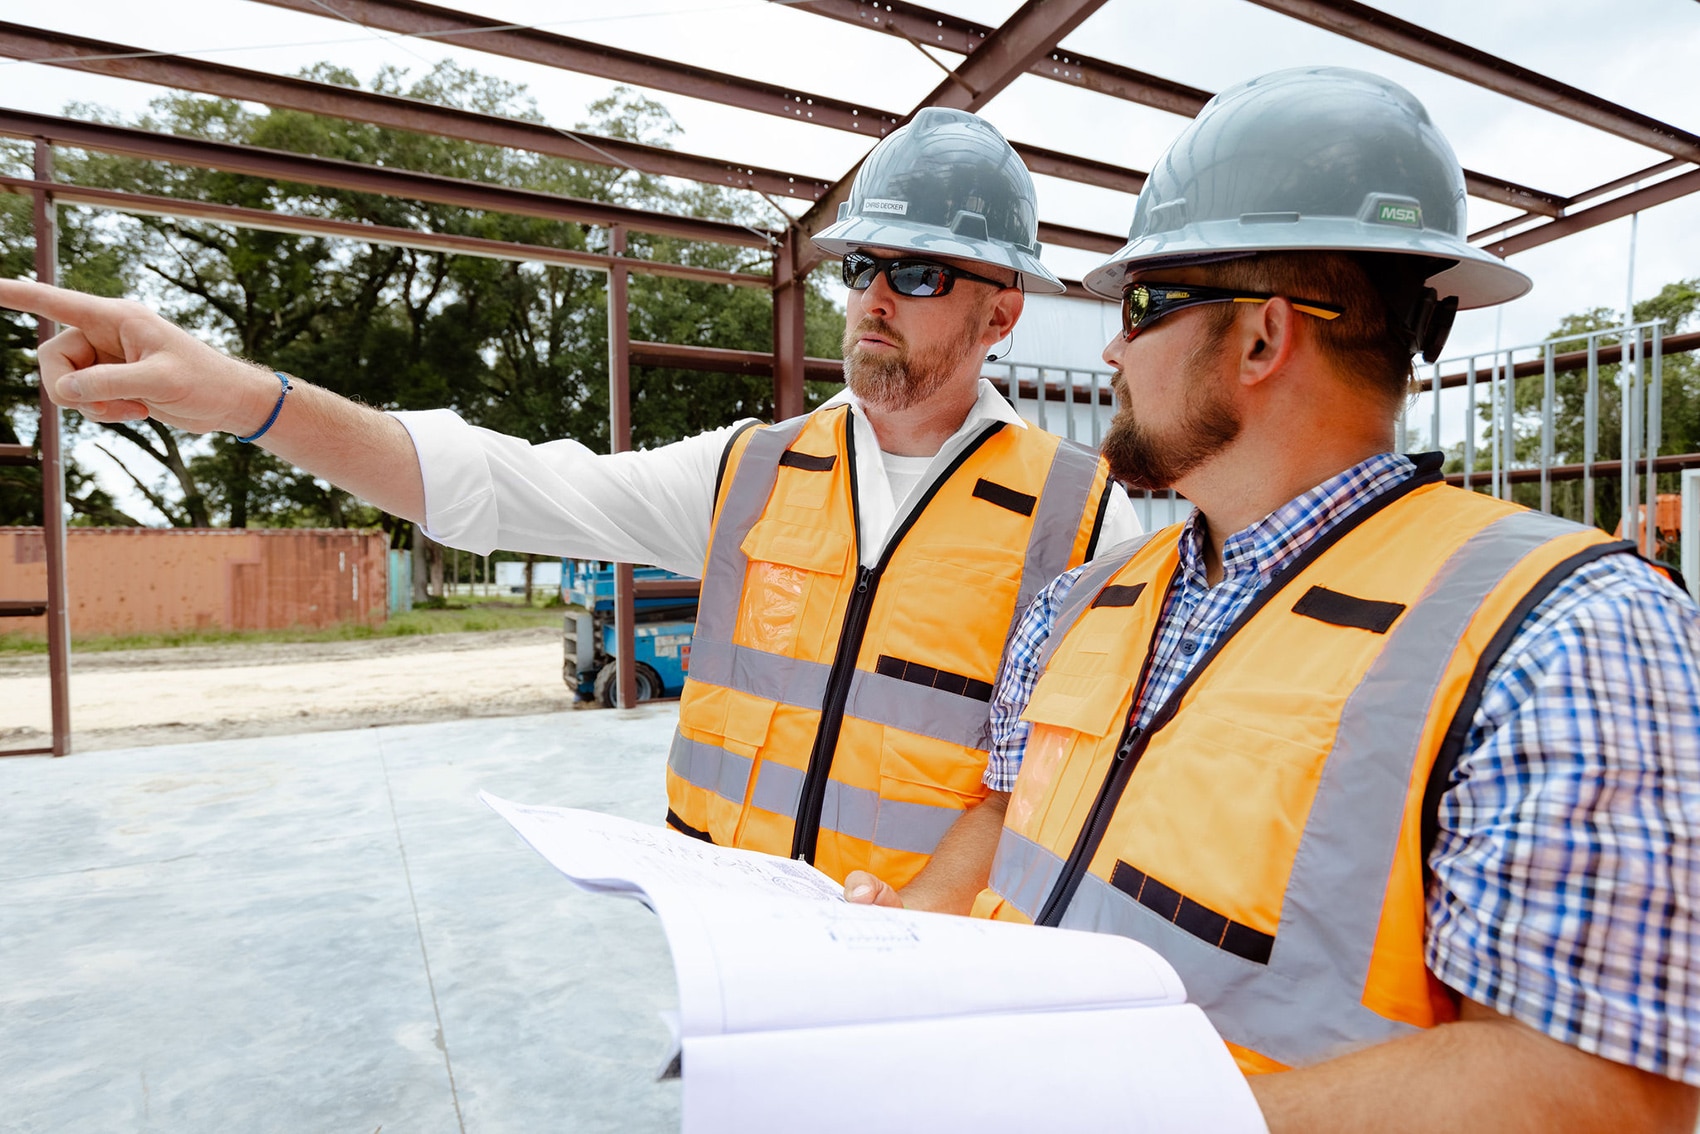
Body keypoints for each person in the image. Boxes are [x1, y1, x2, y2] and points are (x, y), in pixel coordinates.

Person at [845, 68, 1700, 1130]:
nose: (1110, 346)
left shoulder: (1567, 635)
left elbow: (1599, 1092)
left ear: (1260, 337)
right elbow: (1006, 818)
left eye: (1143, 304)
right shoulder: (1085, 602)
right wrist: (902, 942)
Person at [0, 106, 1137, 887]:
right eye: (858, 267)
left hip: (923, 998)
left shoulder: (1082, 522)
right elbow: (500, 487)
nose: (874, 300)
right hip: (724, 967)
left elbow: (1059, 790)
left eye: (919, 272)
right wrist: (246, 397)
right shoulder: (751, 474)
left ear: (1001, 315)